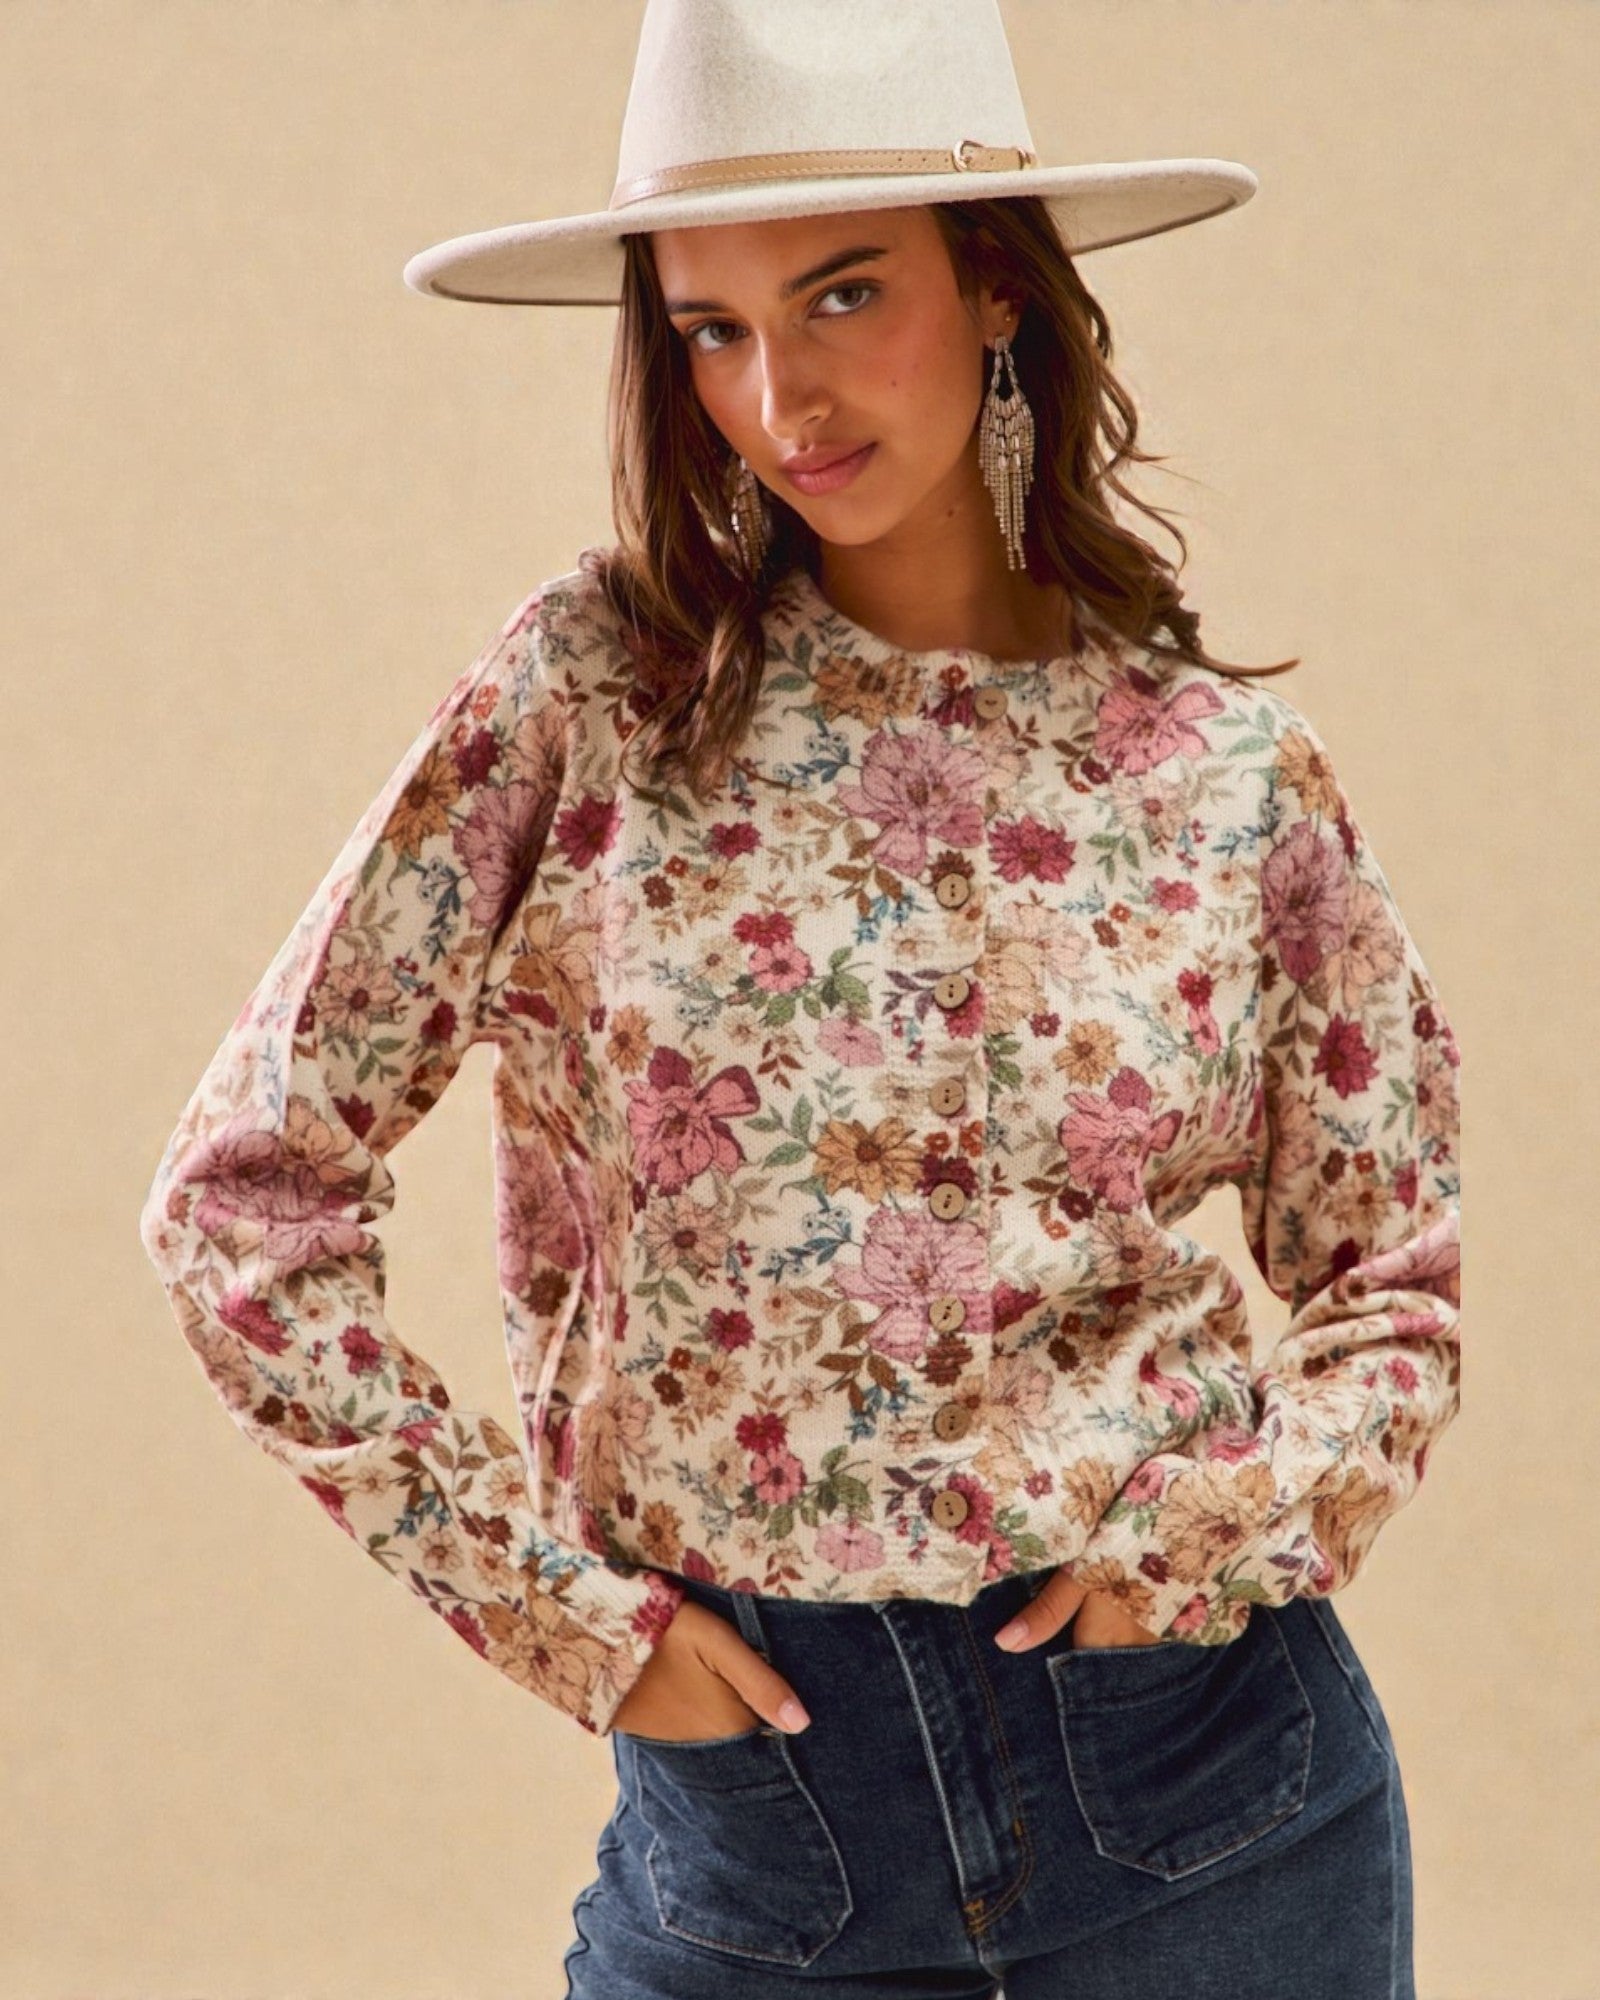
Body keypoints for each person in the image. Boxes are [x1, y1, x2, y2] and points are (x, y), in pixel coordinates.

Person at [138, 3, 1461, 1995]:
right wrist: (554, 1615)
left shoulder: (1214, 778)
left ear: (992, 284)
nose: (780, 392)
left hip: (1210, 1803)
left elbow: (1388, 1291)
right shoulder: (591, 702)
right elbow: (241, 1205)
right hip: (763, 1847)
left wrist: (1189, 1560)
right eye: (710, 328)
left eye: (842, 293)